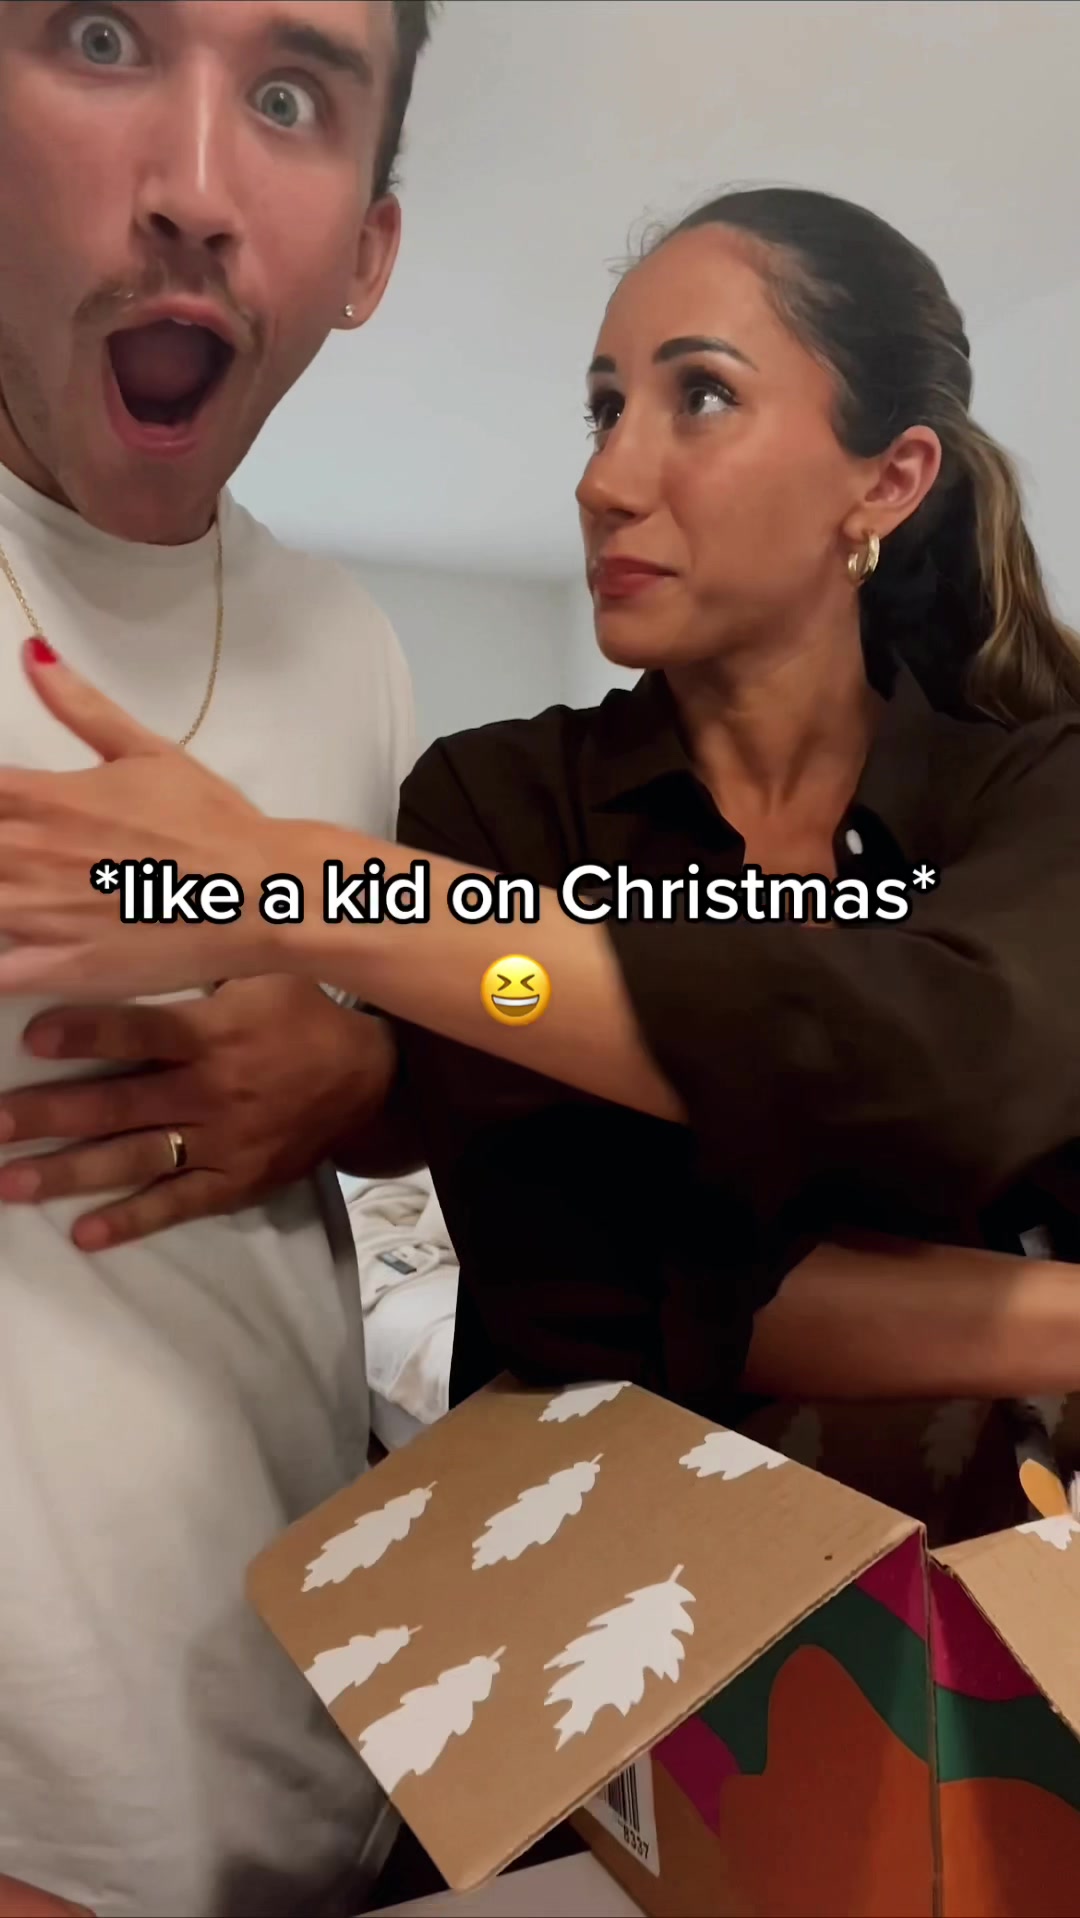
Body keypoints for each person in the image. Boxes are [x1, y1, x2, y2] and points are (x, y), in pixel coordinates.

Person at [4, 187, 1080, 1453]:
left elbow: (959, 1066)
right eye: (606, 408)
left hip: (997, 1547)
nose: (603, 479)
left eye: (703, 396)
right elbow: (580, 1283)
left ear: (887, 481)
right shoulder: (497, 798)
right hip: (594, 1546)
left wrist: (313, 886)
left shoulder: (1032, 788)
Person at [0, 3, 437, 1914]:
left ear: (365, 255)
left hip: (329, 1786)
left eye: (286, 95)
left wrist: (375, 1070)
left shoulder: (355, 648)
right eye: (102, 36)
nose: (191, 185)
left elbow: (531, 992)